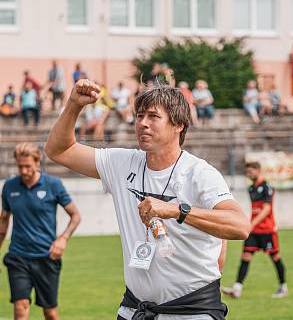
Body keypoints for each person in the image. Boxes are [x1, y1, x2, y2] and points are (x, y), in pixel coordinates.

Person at [44, 79, 250, 320]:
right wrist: (73, 105)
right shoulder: (122, 163)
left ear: (179, 125)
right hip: (135, 310)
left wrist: (176, 211)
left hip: (193, 312)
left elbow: (240, 226)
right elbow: (59, 151)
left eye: (153, 116)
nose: (142, 123)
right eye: (139, 116)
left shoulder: (200, 174)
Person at [0, 143, 81, 320]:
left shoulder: (53, 185)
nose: (23, 171)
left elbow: (75, 216)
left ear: (37, 163)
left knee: (50, 313)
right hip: (18, 257)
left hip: (47, 258)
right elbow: (3, 220)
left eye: (28, 166)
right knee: (21, 308)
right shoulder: (9, 186)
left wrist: (63, 239)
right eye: (20, 167)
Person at [222, 162, 288, 299]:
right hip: (253, 231)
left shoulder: (267, 187)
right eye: (247, 172)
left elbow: (266, 209)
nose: (248, 175)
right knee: (245, 257)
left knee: (275, 258)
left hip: (267, 230)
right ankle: (237, 288)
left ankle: (283, 287)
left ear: (258, 170)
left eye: (251, 172)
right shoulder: (251, 188)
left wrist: (252, 223)